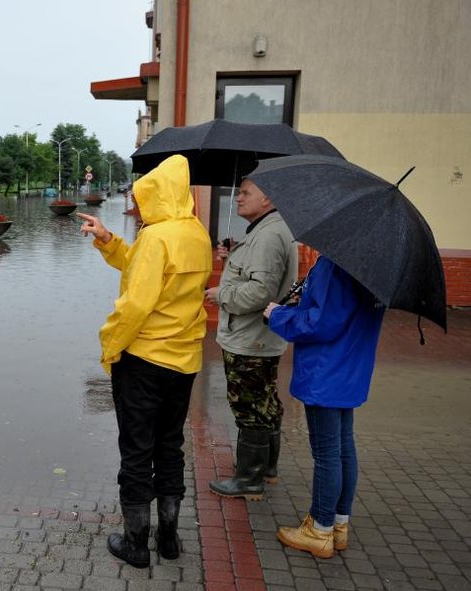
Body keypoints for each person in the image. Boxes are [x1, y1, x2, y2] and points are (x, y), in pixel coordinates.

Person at [77, 154, 212, 568]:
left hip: (145, 362)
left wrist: (110, 346)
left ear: (156, 196)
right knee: (169, 446)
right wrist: (108, 239)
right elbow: (146, 268)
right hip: (184, 362)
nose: (137, 207)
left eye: (141, 198)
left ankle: (136, 544)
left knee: (136, 450)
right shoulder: (195, 234)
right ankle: (169, 540)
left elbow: (135, 304)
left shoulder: (157, 238)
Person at [263, 256, 385, 559]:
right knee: (344, 448)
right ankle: (338, 525)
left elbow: (319, 323)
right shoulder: (374, 267)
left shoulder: (336, 264)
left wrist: (277, 315)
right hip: (350, 368)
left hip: (325, 371)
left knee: (328, 453)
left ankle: (319, 529)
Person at [204, 180, 297, 500]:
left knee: (249, 405)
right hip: (259, 337)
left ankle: (249, 478)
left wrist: (222, 294)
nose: (237, 199)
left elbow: (261, 291)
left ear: (267, 197)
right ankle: (266, 469)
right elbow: (256, 275)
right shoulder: (265, 230)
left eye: (245, 193)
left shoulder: (269, 235)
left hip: (251, 338)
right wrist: (234, 252)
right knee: (265, 401)